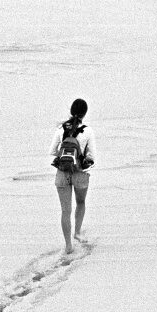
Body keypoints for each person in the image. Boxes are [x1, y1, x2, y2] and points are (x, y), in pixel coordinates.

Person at [50, 98, 97, 254]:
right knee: (81, 202)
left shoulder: (61, 129)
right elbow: (92, 156)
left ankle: (68, 245)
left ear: (71, 111)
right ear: (85, 113)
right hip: (80, 173)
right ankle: (77, 232)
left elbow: (52, 151)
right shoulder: (88, 131)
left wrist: (64, 157)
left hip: (62, 172)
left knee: (65, 211)